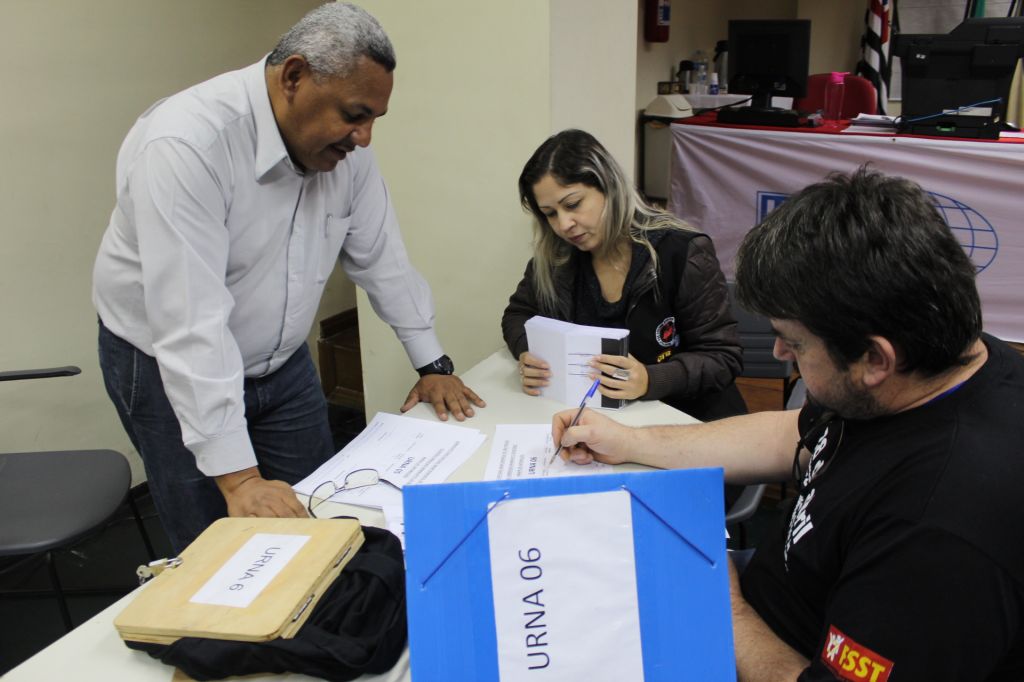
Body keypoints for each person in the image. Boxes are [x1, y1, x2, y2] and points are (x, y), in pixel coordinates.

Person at [552, 167, 1024, 681]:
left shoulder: (938, 539)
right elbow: (795, 434)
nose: (779, 352)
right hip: (762, 595)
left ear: (874, 359)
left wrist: (721, 606)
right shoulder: (942, 355)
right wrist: (630, 441)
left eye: (794, 342)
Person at [92, 3, 484, 553]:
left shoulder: (344, 153)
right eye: (355, 114)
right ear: (294, 77)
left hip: (281, 360)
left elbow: (382, 257)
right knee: (219, 544)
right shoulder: (187, 145)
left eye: (375, 118)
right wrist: (239, 480)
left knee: (321, 513)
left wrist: (432, 364)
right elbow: (190, 322)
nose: (365, 137)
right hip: (166, 364)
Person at [502, 129, 746, 422]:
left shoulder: (681, 251)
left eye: (572, 204)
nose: (564, 224)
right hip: (599, 418)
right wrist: (528, 353)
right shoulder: (556, 258)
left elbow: (722, 357)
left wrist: (651, 379)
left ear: (609, 186)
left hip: (686, 417)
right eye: (550, 213)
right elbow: (517, 315)